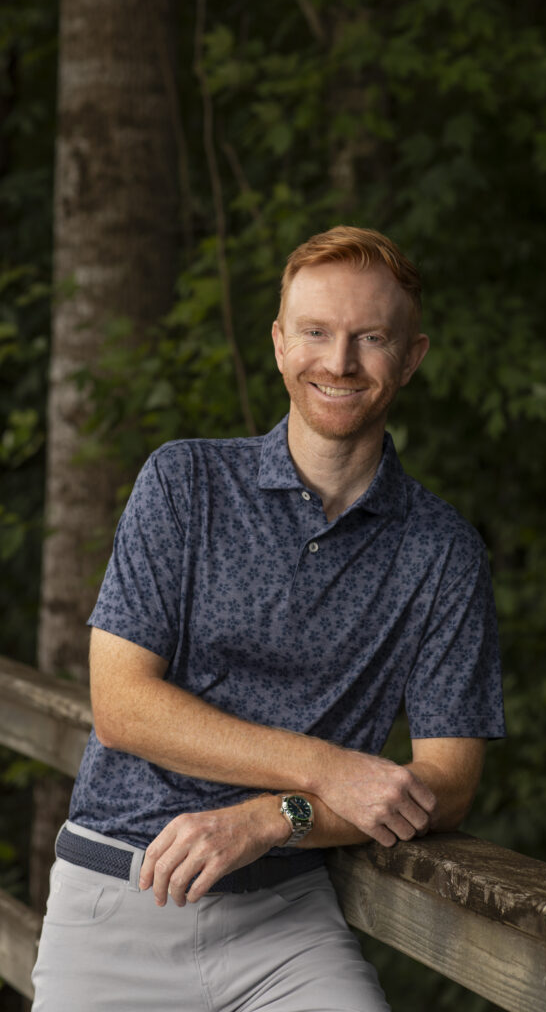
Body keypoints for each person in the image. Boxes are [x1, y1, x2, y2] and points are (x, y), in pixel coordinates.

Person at [31, 225, 505, 1011]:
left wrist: (276, 817)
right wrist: (326, 767)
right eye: (315, 332)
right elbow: (121, 705)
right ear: (280, 344)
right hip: (119, 899)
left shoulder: (442, 551)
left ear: (411, 357)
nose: (339, 362)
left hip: (288, 923)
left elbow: (446, 785)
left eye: (370, 338)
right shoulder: (185, 483)